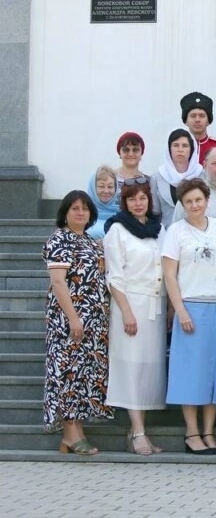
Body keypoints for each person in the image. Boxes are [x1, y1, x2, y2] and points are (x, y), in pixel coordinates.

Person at [162, 178, 216, 455]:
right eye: (188, 201)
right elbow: (169, 275)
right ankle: (192, 433)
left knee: (215, 372)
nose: (194, 205)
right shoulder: (176, 232)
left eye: (198, 200)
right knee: (190, 372)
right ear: (182, 205)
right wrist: (179, 310)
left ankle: (209, 432)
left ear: (207, 201)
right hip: (190, 307)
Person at [42, 191, 114, 454]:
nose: (81, 212)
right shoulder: (59, 239)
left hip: (93, 322)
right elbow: (58, 282)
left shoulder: (89, 241)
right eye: (75, 208)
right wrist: (73, 318)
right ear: (65, 212)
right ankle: (70, 433)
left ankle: (75, 432)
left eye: (85, 208)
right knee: (68, 373)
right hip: (68, 321)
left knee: (83, 374)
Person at [102, 177, 166, 455]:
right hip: (130, 305)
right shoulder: (117, 229)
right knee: (131, 367)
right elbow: (114, 276)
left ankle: (139, 431)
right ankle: (138, 431)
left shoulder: (158, 229)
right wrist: (126, 312)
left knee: (149, 368)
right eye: (132, 199)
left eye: (142, 198)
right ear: (124, 202)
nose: (138, 203)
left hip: (155, 305)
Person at [150, 129, 203, 227]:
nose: (180, 149)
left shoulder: (202, 175)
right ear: (169, 149)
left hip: (197, 230)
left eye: (185, 146)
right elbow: (154, 212)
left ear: (191, 149)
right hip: (167, 232)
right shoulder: (157, 177)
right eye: (175, 145)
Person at [180, 92, 216, 163]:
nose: (197, 120)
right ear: (186, 121)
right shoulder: (178, 148)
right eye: (193, 116)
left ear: (208, 121)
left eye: (202, 116)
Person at [85, 165, 118, 240]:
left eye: (110, 187)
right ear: (93, 188)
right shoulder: (83, 213)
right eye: (101, 186)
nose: (106, 191)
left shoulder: (122, 213)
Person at [113, 131, 147, 198]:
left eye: (135, 150)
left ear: (141, 153)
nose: (131, 154)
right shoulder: (110, 177)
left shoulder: (148, 181)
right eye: (126, 150)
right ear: (119, 153)